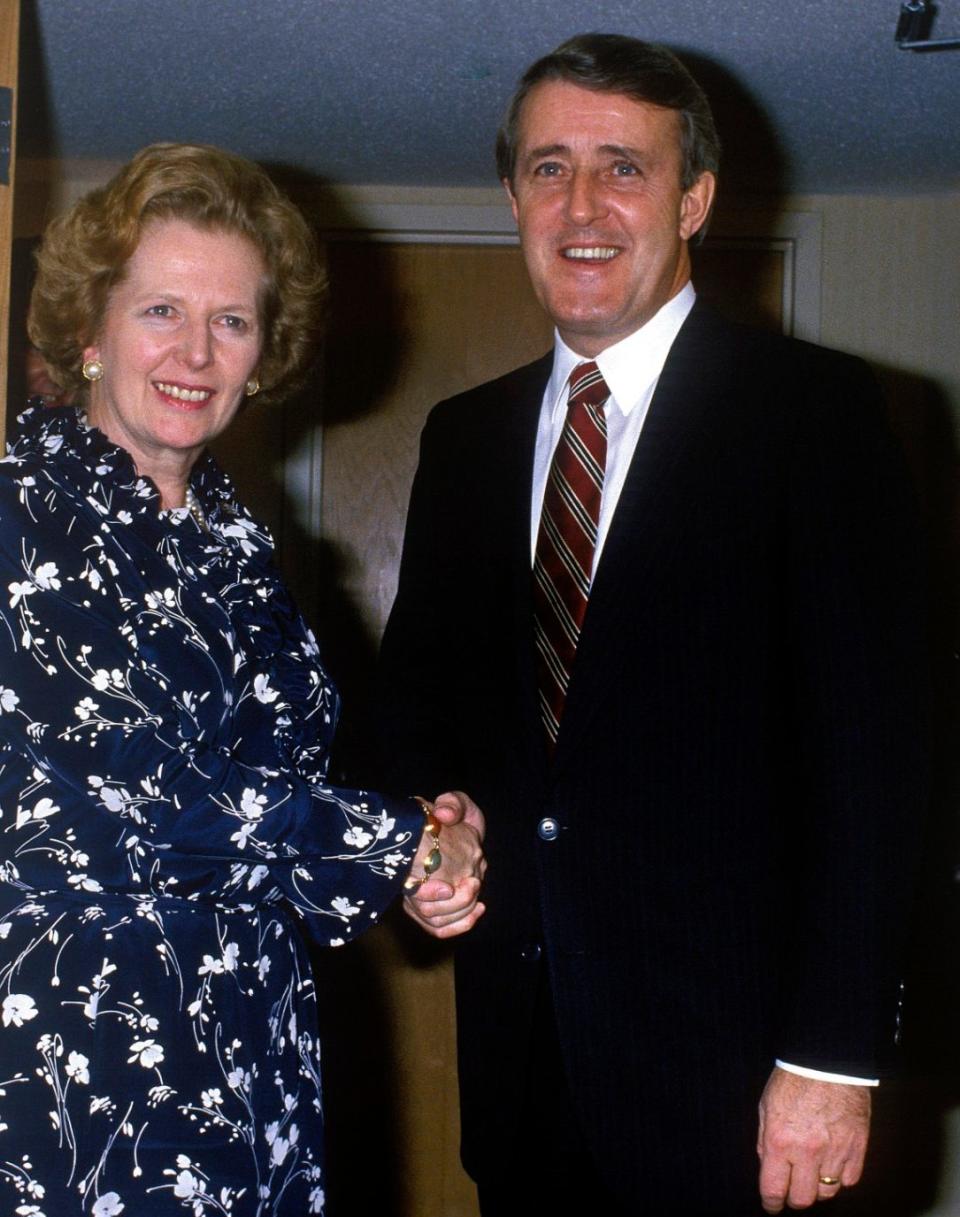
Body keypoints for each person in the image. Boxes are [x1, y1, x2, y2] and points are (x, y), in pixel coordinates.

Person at [375, 34, 926, 1217]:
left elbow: (878, 764)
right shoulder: (462, 442)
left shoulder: (816, 416)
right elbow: (414, 709)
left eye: (623, 167)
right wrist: (421, 831)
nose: (581, 204)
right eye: (547, 166)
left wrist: (833, 1057)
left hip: (742, 1095)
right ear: (513, 194)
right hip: (522, 1080)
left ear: (696, 200)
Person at [0, 142, 484, 1216]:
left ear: (265, 351)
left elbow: (286, 836)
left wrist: (426, 856)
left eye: (232, 321)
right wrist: (389, 835)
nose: (197, 350)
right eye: (160, 309)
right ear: (90, 329)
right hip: (76, 1076)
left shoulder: (241, 555)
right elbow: (131, 799)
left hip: (253, 1061)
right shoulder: (16, 520)